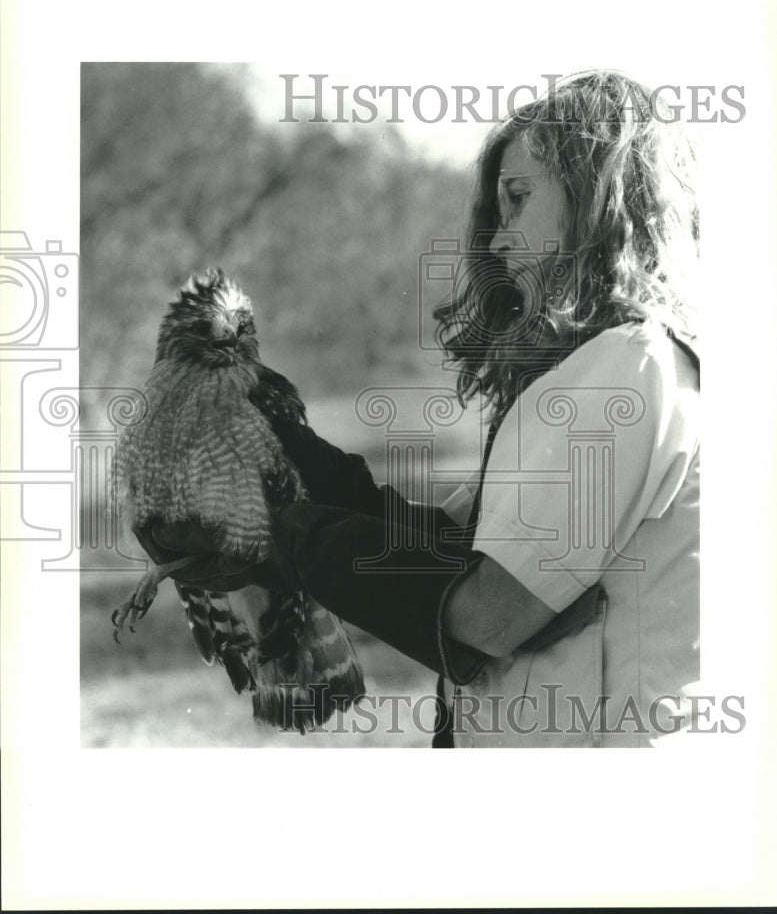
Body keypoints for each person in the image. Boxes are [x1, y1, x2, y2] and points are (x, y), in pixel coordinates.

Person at [146, 69, 701, 748]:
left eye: (517, 199)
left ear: (597, 200)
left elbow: (491, 613)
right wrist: (320, 477)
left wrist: (281, 540)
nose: (496, 241)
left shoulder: (629, 368)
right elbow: (460, 552)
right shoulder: (609, 368)